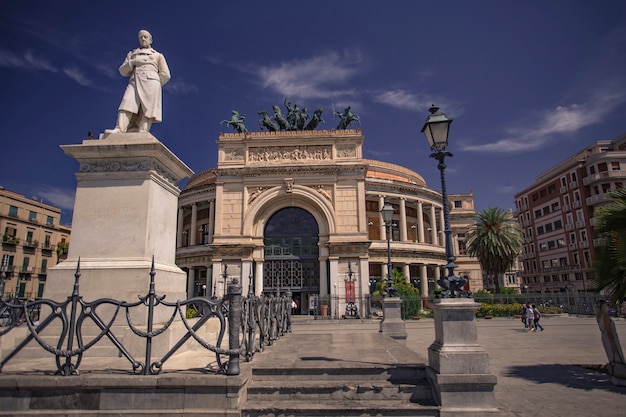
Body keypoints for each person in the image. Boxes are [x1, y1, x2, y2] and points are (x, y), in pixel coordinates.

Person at [108, 30, 171, 133]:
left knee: (148, 108)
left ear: (151, 40)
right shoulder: (132, 54)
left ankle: (143, 130)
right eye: (140, 37)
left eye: (145, 37)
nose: (143, 39)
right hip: (135, 81)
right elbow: (123, 71)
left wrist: (156, 84)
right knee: (127, 102)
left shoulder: (157, 55)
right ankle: (120, 129)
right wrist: (132, 62)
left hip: (151, 82)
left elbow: (165, 74)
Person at [595, 300, 625, 366]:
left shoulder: (599, 317)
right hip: (609, 337)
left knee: (610, 355)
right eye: (606, 306)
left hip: (604, 337)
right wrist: (614, 345)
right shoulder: (606, 317)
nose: (608, 307)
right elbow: (609, 332)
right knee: (616, 355)